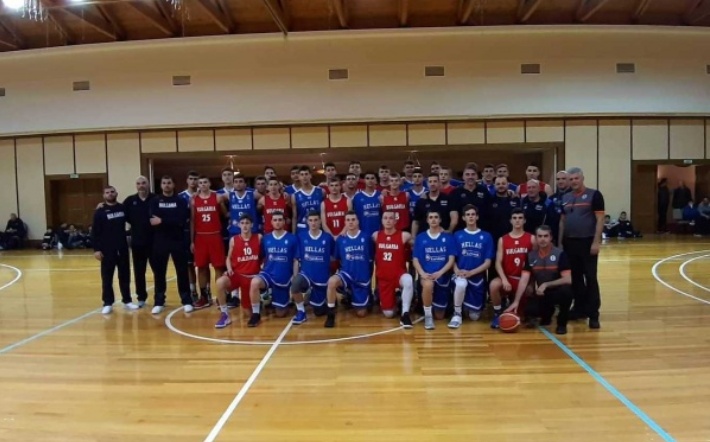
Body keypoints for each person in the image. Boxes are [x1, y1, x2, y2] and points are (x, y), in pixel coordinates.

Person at [560, 167, 605, 329]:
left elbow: (600, 220)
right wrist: (560, 242)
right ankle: (579, 309)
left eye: (576, 178)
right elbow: (562, 221)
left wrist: (596, 242)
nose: (573, 181)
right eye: (571, 179)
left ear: (582, 178)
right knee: (576, 278)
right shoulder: (565, 197)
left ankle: (593, 314)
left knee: (590, 277)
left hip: (587, 242)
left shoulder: (595, 195)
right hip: (570, 243)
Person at [150, 175, 193, 314]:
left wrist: (163, 221)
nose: (166, 185)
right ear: (161, 185)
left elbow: (181, 220)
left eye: (169, 183)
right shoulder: (155, 201)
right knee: (159, 272)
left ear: (173, 185)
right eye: (164, 183)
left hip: (178, 240)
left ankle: (186, 300)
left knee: (182, 271)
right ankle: (159, 302)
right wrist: (170, 220)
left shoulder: (180, 201)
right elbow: (153, 220)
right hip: (160, 241)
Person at [92, 186, 139, 314]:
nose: (110, 194)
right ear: (104, 195)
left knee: (125, 276)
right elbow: (95, 232)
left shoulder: (123, 208)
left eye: (112, 192)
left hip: (122, 247)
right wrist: (97, 249)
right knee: (107, 277)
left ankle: (127, 301)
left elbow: (134, 220)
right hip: (107, 249)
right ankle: (108, 303)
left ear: (116, 193)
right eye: (107, 192)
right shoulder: (100, 211)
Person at [247, 211, 298, 327]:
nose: (277, 222)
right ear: (271, 222)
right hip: (268, 274)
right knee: (254, 282)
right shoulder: (266, 238)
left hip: (283, 277)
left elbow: (295, 260)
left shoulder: (292, 238)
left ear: (284, 222)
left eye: (280, 220)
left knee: (280, 314)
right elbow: (261, 257)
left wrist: (294, 278)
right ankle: (256, 314)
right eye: (275, 220)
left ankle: (277, 299)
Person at [520, 225, 573, 335]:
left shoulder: (560, 254)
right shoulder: (531, 256)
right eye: (539, 236)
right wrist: (530, 285)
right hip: (541, 294)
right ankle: (547, 314)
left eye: (545, 236)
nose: (542, 239)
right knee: (530, 311)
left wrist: (546, 284)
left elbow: (568, 279)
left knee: (567, 292)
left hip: (557, 291)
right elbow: (526, 277)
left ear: (551, 238)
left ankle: (562, 324)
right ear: (536, 238)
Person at [324, 211, 373, 328]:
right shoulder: (341, 240)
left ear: (358, 221)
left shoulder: (366, 237)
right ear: (345, 223)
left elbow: (371, 259)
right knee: (332, 282)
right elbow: (336, 259)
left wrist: (369, 280)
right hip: (346, 274)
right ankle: (330, 314)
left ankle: (353, 295)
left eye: (353, 220)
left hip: (361, 277)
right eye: (348, 220)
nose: (351, 222)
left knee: (361, 314)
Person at [213, 214, 262, 328]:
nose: (245, 226)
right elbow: (228, 258)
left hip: (252, 277)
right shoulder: (233, 240)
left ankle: (260, 302)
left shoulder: (259, 238)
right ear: (239, 225)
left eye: (247, 223)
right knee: (220, 282)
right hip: (238, 275)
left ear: (252, 225)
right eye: (242, 223)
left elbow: (265, 255)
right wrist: (229, 269)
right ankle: (225, 314)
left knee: (248, 313)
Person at [449, 205, 494, 328]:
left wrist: (471, 273)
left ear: (477, 217)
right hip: (460, 274)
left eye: (473, 214)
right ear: (463, 218)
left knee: (474, 317)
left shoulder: (486, 236)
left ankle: (465, 305)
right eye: (468, 215)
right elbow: (452, 258)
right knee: (461, 284)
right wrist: (457, 270)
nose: (471, 217)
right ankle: (457, 313)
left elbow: (488, 263)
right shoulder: (457, 235)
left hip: (477, 277)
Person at [412, 211, 456, 330]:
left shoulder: (448, 238)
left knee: (440, 316)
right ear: (427, 220)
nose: (433, 219)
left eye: (436, 217)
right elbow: (415, 259)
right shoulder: (421, 237)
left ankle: (438, 309)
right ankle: (427, 316)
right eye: (430, 217)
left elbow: (451, 259)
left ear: (440, 220)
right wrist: (422, 274)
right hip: (426, 274)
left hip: (442, 276)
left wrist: (440, 272)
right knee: (428, 284)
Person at [492, 209, 535, 327]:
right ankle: (497, 313)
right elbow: (498, 262)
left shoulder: (531, 238)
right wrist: (504, 279)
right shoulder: (503, 239)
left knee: (520, 317)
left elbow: (535, 263)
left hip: (523, 280)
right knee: (494, 285)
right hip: (509, 278)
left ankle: (523, 310)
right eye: (515, 218)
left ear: (524, 221)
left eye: (520, 218)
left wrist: (532, 283)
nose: (517, 220)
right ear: (510, 221)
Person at [290, 211, 334, 324]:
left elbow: (334, 257)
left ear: (320, 221)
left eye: (315, 220)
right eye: (310, 220)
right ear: (307, 222)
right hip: (306, 274)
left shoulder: (327, 238)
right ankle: (301, 312)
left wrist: (331, 276)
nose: (313, 223)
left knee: (319, 312)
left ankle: (317, 296)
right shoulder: (301, 237)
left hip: (322, 277)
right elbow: (297, 258)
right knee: (295, 285)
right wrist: (295, 276)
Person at [191, 176, 228, 309]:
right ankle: (204, 297)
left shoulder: (217, 197)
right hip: (200, 237)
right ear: (198, 185)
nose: (203, 184)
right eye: (200, 183)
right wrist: (192, 240)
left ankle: (219, 296)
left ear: (209, 183)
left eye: (205, 182)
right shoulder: (194, 200)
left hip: (215, 235)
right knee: (201, 267)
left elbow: (225, 214)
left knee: (218, 267)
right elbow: (193, 221)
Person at [373, 211, 414, 327]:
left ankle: (405, 314)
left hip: (399, 275)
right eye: (385, 218)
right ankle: (398, 299)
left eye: (391, 218)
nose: (388, 220)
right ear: (382, 221)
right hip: (384, 279)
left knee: (408, 280)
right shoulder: (376, 236)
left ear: (395, 221)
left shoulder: (404, 236)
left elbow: (418, 244)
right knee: (389, 314)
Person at [122, 176, 155, 307]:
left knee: (158, 271)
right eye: (138, 183)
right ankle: (141, 297)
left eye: (143, 183)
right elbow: (119, 212)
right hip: (138, 243)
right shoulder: (130, 201)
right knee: (139, 272)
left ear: (148, 184)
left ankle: (159, 298)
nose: (141, 185)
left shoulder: (156, 199)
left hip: (155, 242)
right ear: (136, 186)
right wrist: (102, 206)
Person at [412, 173, 458, 239]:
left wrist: (449, 231)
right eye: (430, 182)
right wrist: (413, 237)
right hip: (425, 237)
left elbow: (454, 218)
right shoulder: (421, 201)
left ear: (439, 183)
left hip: (443, 236)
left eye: (435, 181)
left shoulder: (448, 199)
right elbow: (416, 221)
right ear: (427, 184)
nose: (432, 184)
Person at [179, 171, 200, 300]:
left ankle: (206, 290)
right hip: (186, 234)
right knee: (189, 264)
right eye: (191, 179)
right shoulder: (181, 197)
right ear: (187, 180)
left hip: (202, 233)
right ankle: (193, 290)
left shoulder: (204, 194)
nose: (193, 181)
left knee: (203, 265)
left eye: (195, 179)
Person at [451, 164, 492, 231]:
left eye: (473, 174)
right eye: (467, 174)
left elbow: (490, 212)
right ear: (463, 177)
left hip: (482, 230)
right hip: (462, 231)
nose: (470, 177)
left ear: (477, 176)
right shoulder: (456, 192)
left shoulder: (484, 191)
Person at [292, 166, 324, 236]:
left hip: (318, 226)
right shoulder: (295, 195)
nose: (304, 177)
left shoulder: (320, 191)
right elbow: (294, 217)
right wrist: (293, 233)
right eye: (302, 175)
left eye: (306, 174)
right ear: (299, 177)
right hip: (302, 227)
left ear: (310, 176)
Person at [489, 176, 522, 243]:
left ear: (508, 185)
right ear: (494, 186)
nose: (501, 186)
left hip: (513, 237)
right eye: (498, 184)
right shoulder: (489, 201)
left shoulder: (515, 200)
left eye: (503, 183)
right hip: (495, 238)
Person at [352, 172, 382, 238]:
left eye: (372, 178)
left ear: (376, 180)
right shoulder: (357, 197)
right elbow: (355, 216)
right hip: (364, 231)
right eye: (367, 178)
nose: (370, 180)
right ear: (364, 180)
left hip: (379, 231)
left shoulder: (380, 195)